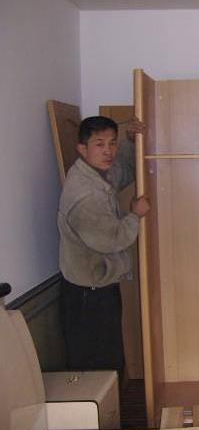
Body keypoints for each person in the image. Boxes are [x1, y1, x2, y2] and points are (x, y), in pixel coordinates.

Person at [58, 115, 150, 371]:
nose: (108, 150)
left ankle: (111, 398)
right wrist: (135, 216)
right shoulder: (85, 194)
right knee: (97, 366)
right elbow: (111, 240)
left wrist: (131, 140)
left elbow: (125, 171)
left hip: (98, 287)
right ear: (82, 148)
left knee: (108, 361)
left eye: (112, 143)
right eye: (99, 144)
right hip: (87, 295)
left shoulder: (96, 174)